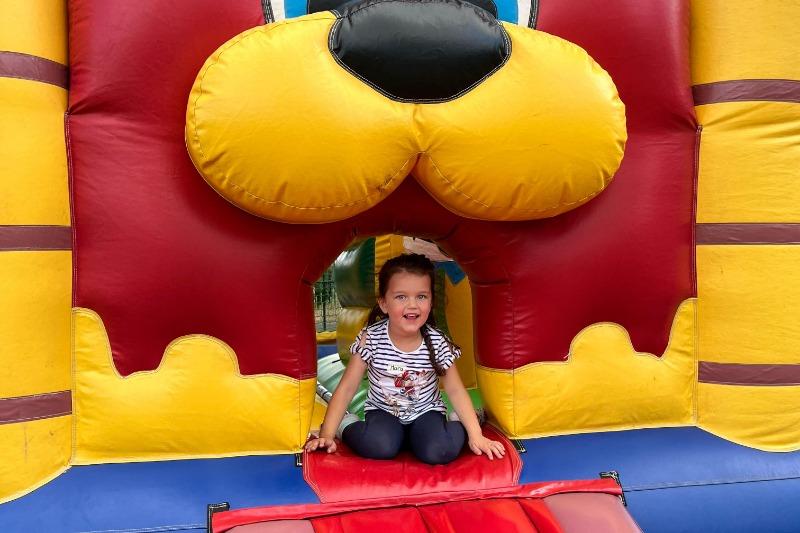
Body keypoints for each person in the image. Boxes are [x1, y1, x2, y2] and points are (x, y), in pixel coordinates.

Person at [305, 253, 505, 465]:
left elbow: (455, 390)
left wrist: (476, 435)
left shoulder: (437, 342)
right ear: (384, 303)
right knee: (379, 446)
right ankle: (346, 424)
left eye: (421, 296)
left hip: (426, 412)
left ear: (431, 301)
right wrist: (326, 435)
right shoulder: (371, 338)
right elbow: (347, 388)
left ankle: (459, 421)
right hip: (383, 412)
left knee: (440, 451)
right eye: (401, 297)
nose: (412, 305)